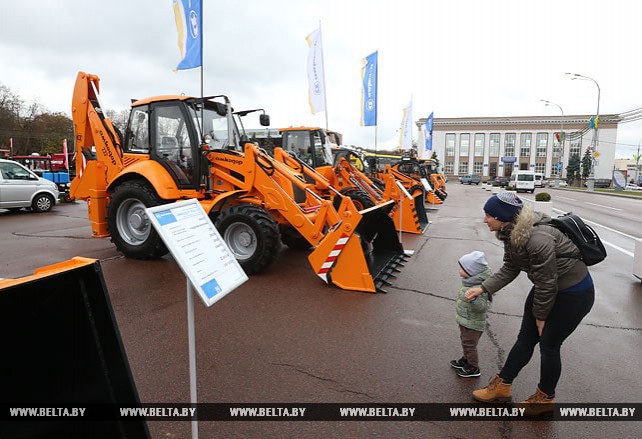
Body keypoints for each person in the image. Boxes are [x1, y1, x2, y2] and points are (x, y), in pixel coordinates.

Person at [465, 191, 594, 414]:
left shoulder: (537, 238)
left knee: (549, 345)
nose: (485, 220)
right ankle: (502, 387)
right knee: (525, 337)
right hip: (548, 289)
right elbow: (510, 267)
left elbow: (547, 280)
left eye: (488, 215)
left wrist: (541, 317)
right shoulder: (512, 233)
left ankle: (545, 398)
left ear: (502, 216)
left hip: (573, 294)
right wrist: (483, 288)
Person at [451, 251, 492, 378]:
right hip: (466, 320)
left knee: (469, 344)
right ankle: (466, 359)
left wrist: (474, 300)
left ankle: (473, 367)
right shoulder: (470, 282)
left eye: (462, 268)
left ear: (471, 271)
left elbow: (482, 307)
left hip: (473, 323)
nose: (459, 270)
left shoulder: (479, 288)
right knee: (466, 342)